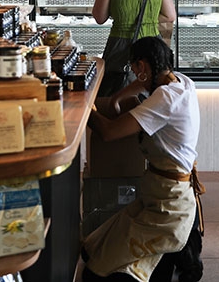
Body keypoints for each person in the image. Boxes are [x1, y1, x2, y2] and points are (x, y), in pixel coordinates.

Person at [83, 36, 203, 282]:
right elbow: (144, 84)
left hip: (169, 204)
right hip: (163, 193)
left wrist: (85, 103)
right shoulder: (181, 82)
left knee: (100, 266)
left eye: (134, 68)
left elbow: (109, 132)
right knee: (96, 247)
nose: (134, 74)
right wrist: (116, 98)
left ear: (143, 66)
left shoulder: (165, 99)